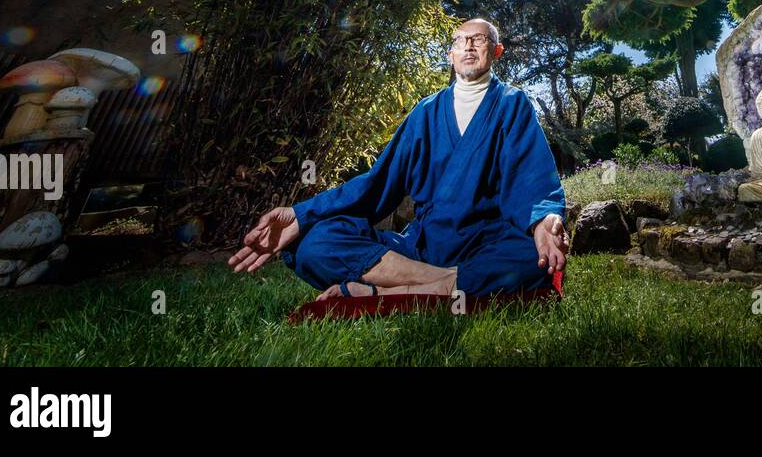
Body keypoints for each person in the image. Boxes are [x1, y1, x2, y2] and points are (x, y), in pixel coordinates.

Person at [228, 18, 569, 300]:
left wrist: (544, 223)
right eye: (459, 40)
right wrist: (301, 215)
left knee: (530, 259)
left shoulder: (512, 105)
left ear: (495, 52)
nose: (467, 46)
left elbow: (532, 181)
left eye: (477, 40)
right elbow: (377, 185)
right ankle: (442, 286)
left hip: (485, 245)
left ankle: (388, 293)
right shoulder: (425, 113)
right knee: (317, 243)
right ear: (450, 53)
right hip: (420, 248)